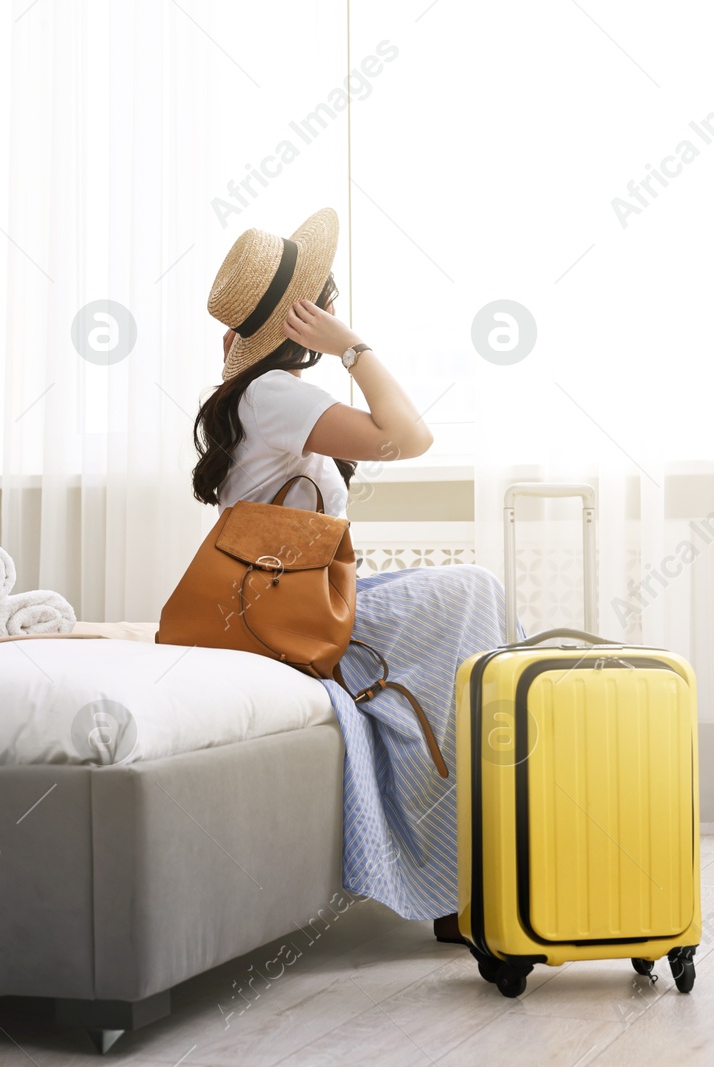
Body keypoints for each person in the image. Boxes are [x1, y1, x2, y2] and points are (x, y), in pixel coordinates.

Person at [192, 207, 507, 940]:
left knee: (464, 609)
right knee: (473, 595)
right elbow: (409, 437)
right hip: (280, 613)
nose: (336, 305)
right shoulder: (273, 394)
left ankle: (469, 859)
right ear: (305, 316)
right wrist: (353, 347)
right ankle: (465, 869)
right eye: (325, 297)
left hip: (287, 598)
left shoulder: (262, 398)